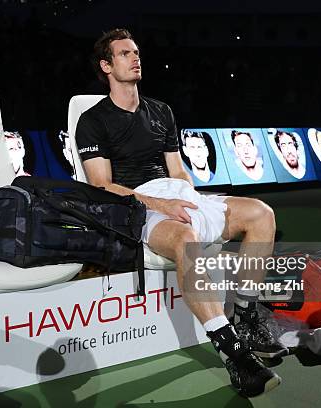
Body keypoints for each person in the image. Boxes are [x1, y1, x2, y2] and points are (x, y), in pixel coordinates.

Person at [76, 28, 284, 398]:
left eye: (136, 52)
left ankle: (247, 315)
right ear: (106, 66)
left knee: (260, 213)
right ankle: (234, 354)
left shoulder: (161, 111)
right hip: (134, 205)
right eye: (125, 53)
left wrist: (192, 196)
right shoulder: (92, 120)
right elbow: (101, 185)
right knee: (187, 240)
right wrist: (162, 205)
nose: (135, 58)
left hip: (177, 195)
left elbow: (177, 170)